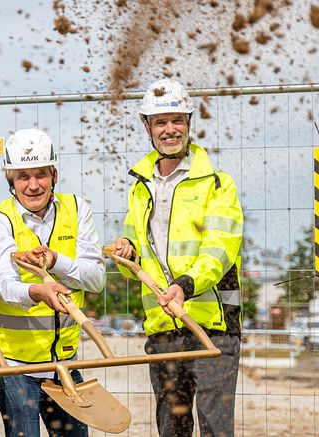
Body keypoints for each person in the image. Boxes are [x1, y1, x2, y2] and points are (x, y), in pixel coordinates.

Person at [111, 79, 244, 437]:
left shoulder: (217, 184)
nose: (170, 130)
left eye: (177, 120)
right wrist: (126, 250)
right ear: (147, 128)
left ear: (189, 121)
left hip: (213, 325)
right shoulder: (141, 187)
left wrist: (184, 286)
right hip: (163, 325)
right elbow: (135, 253)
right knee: (173, 427)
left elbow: (220, 250)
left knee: (216, 427)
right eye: (160, 122)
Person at [0, 128, 106, 437]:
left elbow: (96, 279)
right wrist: (37, 290)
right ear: (10, 180)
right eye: (23, 176)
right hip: (14, 364)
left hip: (64, 360)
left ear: (55, 174)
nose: (33, 185)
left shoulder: (77, 209)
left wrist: (55, 261)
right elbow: (3, 285)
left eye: (41, 174)